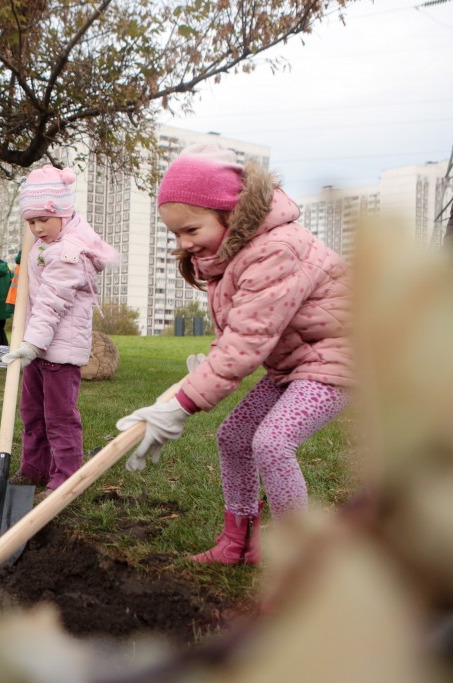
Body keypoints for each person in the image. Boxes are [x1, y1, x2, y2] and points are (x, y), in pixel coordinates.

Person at [115, 143, 353, 565]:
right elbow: (236, 334)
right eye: (175, 234)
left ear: (231, 215)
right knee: (234, 436)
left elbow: (246, 341)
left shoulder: (276, 249)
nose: (184, 243)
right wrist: (192, 382)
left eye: (191, 230)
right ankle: (238, 542)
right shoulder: (229, 253)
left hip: (338, 360)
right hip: (294, 364)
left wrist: (184, 405)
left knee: (273, 441)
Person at [2, 166, 119, 500]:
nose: (38, 228)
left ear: (64, 213)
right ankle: (34, 468)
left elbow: (52, 303)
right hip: (37, 346)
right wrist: (28, 343)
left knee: (59, 417)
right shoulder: (43, 243)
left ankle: (65, 478)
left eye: (44, 219)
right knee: (31, 412)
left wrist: (31, 344)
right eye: (31, 221)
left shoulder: (69, 252)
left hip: (59, 350)